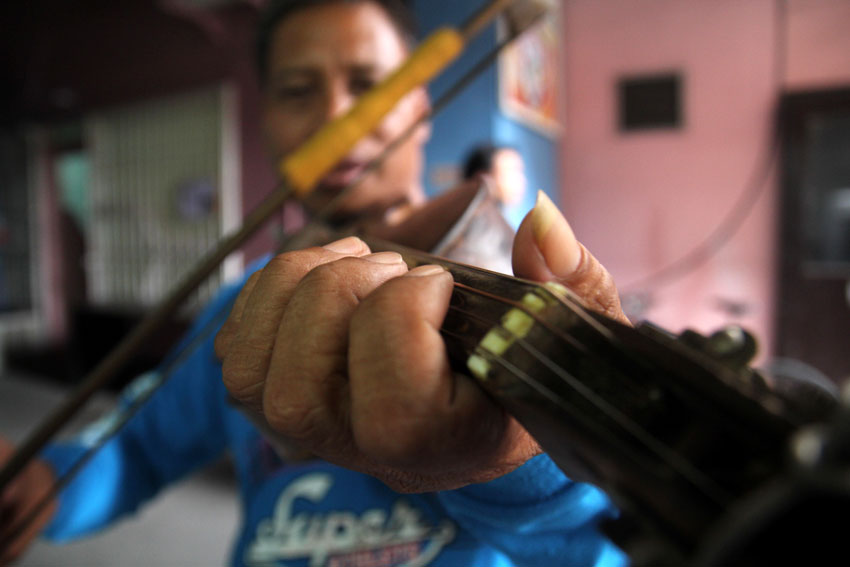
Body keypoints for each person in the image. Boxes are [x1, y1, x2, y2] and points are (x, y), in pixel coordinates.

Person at [0, 1, 629, 566]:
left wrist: (522, 467)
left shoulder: (505, 289)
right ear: (268, 119)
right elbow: (141, 447)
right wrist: (51, 486)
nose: (338, 116)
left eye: (369, 85)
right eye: (298, 91)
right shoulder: (244, 301)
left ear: (419, 105)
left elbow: (597, 548)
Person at [462, 143, 528, 212]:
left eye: (520, 171)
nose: (522, 180)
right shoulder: (477, 217)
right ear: (483, 178)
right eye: (512, 170)